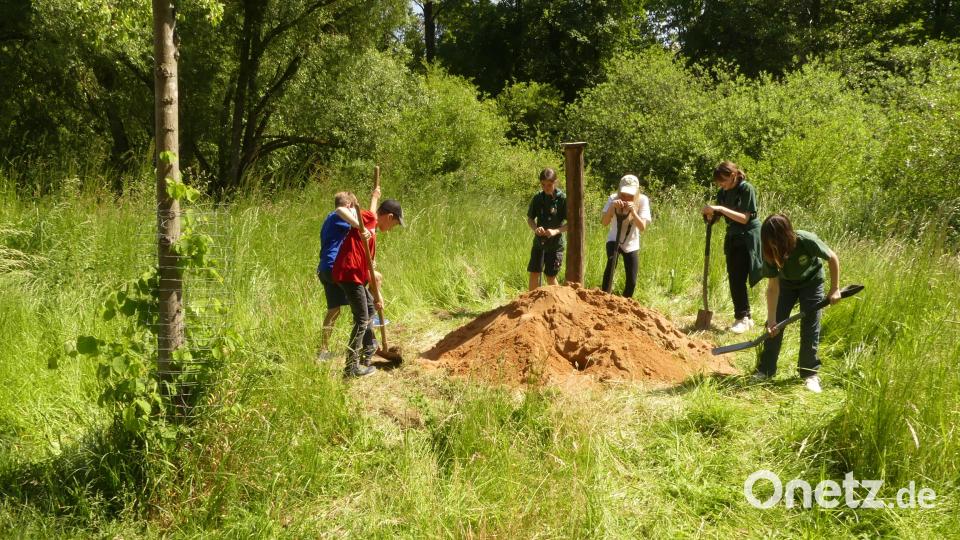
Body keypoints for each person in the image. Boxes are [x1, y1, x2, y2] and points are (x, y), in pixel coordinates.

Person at [755, 213, 841, 393]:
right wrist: (772, 319)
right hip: (786, 285)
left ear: (786, 235)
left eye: (776, 241)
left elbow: (832, 258)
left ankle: (810, 374)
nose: (773, 245)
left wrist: (835, 289)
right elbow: (772, 288)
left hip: (812, 283)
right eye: (769, 242)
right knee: (774, 327)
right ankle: (765, 370)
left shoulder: (805, 240)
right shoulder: (769, 252)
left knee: (810, 327)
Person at [333, 196, 404, 378]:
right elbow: (340, 210)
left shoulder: (372, 231)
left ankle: (369, 349)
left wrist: (378, 295)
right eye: (394, 224)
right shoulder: (370, 220)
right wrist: (359, 226)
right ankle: (351, 368)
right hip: (349, 273)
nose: (392, 228)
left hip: (355, 276)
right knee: (362, 319)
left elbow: (370, 271)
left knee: (371, 307)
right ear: (389, 216)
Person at [701, 161, 763, 334]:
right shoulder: (722, 192)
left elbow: (744, 218)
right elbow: (717, 217)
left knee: (739, 276)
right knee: (735, 276)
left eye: (723, 180)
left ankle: (742, 318)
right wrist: (710, 215)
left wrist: (720, 208)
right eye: (718, 182)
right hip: (733, 236)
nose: (721, 184)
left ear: (733, 175)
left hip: (748, 236)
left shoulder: (746, 189)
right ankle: (745, 317)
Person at [316, 191, 363, 360]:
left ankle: (323, 351)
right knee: (365, 297)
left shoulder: (331, 220)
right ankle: (367, 332)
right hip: (335, 267)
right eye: (354, 207)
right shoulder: (337, 216)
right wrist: (360, 222)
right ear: (349, 205)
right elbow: (343, 212)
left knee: (334, 310)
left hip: (325, 268)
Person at [601, 174, 651, 298]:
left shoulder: (643, 200)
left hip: (631, 243)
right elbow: (604, 222)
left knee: (632, 280)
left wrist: (633, 211)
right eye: (623, 194)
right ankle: (604, 296)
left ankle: (625, 302)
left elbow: (642, 227)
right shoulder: (613, 198)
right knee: (611, 263)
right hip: (614, 239)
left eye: (630, 195)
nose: (626, 198)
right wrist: (612, 207)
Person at [526, 168, 568, 290]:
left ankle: (560, 300)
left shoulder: (563, 199)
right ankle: (531, 300)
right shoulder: (538, 198)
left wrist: (555, 231)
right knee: (534, 273)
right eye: (543, 185)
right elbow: (530, 219)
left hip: (555, 245)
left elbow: (571, 224)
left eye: (549, 185)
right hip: (539, 243)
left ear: (556, 182)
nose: (546, 188)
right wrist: (536, 229)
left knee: (550, 276)